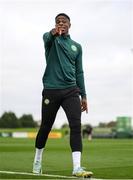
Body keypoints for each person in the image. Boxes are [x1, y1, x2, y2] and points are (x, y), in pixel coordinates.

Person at [32, 13, 93, 178]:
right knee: (46, 126)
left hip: (71, 90)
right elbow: (46, 37)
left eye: (64, 21)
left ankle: (77, 168)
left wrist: (84, 96)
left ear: (69, 25)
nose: (61, 23)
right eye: (58, 21)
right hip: (51, 90)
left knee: (75, 126)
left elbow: (79, 72)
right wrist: (53, 33)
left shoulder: (77, 47)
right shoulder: (50, 40)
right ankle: (37, 161)